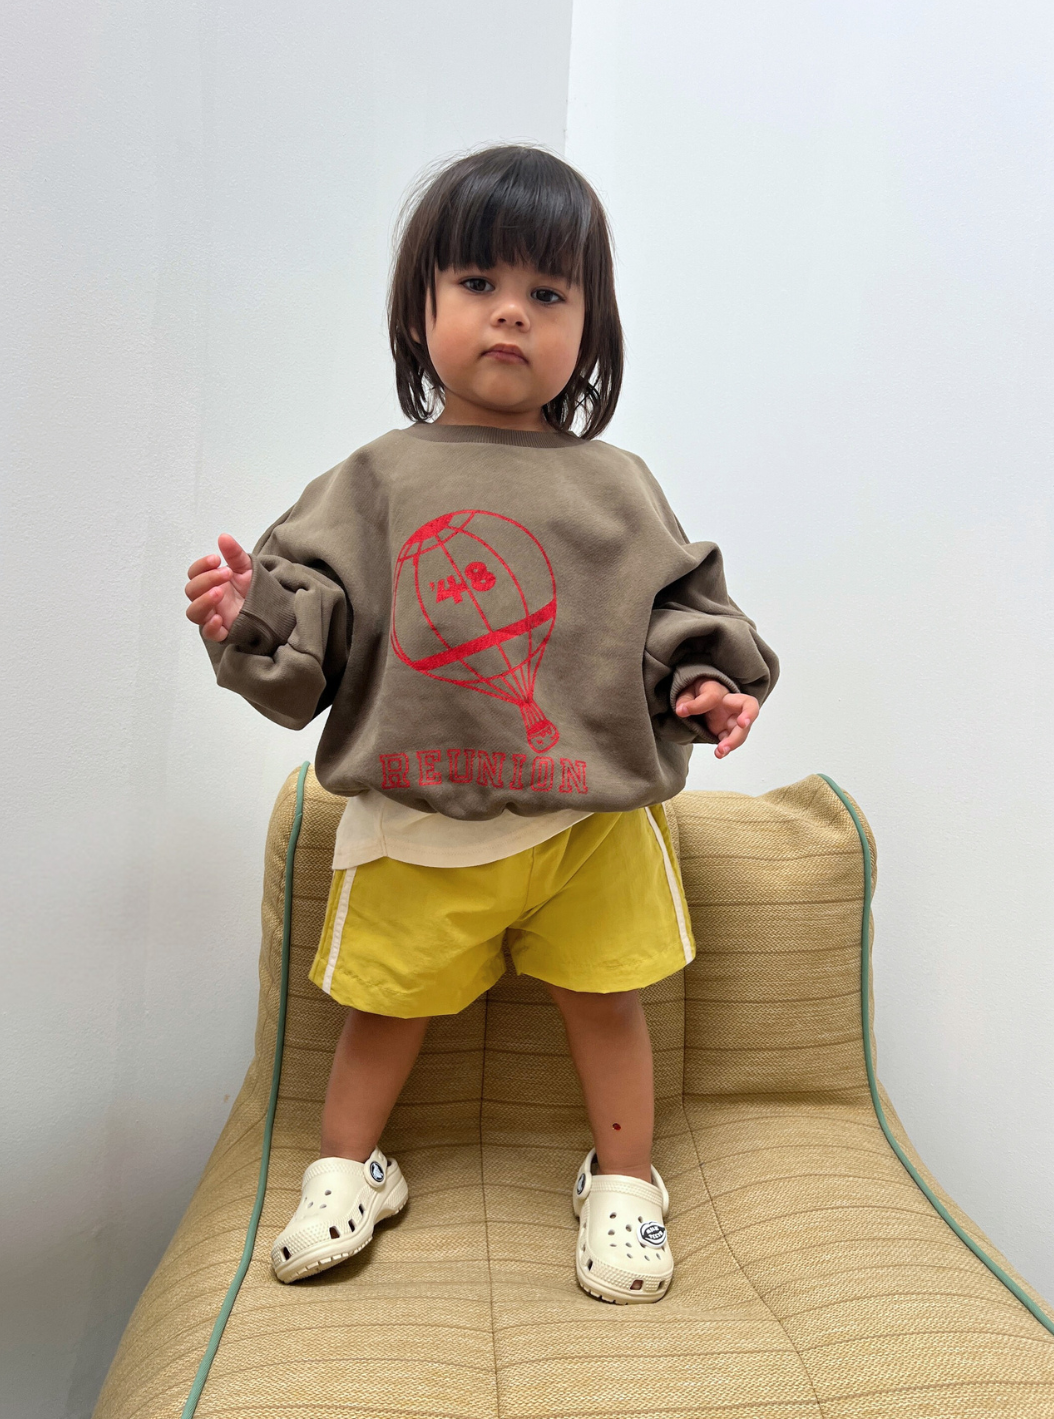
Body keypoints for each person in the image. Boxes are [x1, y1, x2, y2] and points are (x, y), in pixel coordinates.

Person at [183, 144, 778, 1304]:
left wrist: (707, 686)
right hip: (418, 817)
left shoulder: (619, 487)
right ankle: (350, 1167)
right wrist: (244, 610)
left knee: (612, 1002)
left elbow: (670, 621)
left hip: (593, 823)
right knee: (379, 1009)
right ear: (422, 309)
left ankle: (624, 1180)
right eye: (477, 285)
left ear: (590, 325)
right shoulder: (373, 480)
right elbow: (311, 626)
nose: (510, 314)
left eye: (548, 295)